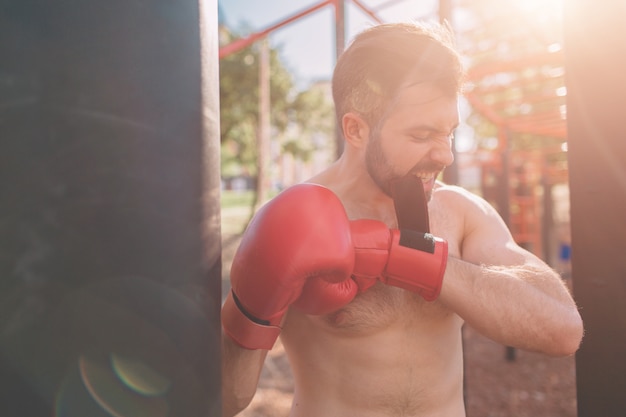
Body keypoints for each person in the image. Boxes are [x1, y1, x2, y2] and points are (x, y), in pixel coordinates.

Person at [221, 22, 583, 417]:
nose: (445, 156)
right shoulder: (291, 225)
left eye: (449, 133)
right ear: (356, 129)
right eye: (422, 134)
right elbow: (226, 400)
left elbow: (563, 330)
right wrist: (249, 312)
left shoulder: (460, 212)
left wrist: (408, 261)